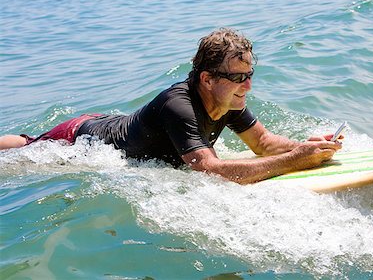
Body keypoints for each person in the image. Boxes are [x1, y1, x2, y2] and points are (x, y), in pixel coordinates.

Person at [0, 28, 342, 184]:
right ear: (207, 79)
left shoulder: (230, 97)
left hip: (111, 122)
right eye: (239, 77)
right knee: (31, 148)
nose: (248, 85)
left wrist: (307, 146)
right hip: (81, 136)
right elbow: (209, 170)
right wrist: (293, 162)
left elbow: (263, 143)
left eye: (250, 74)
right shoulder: (178, 104)